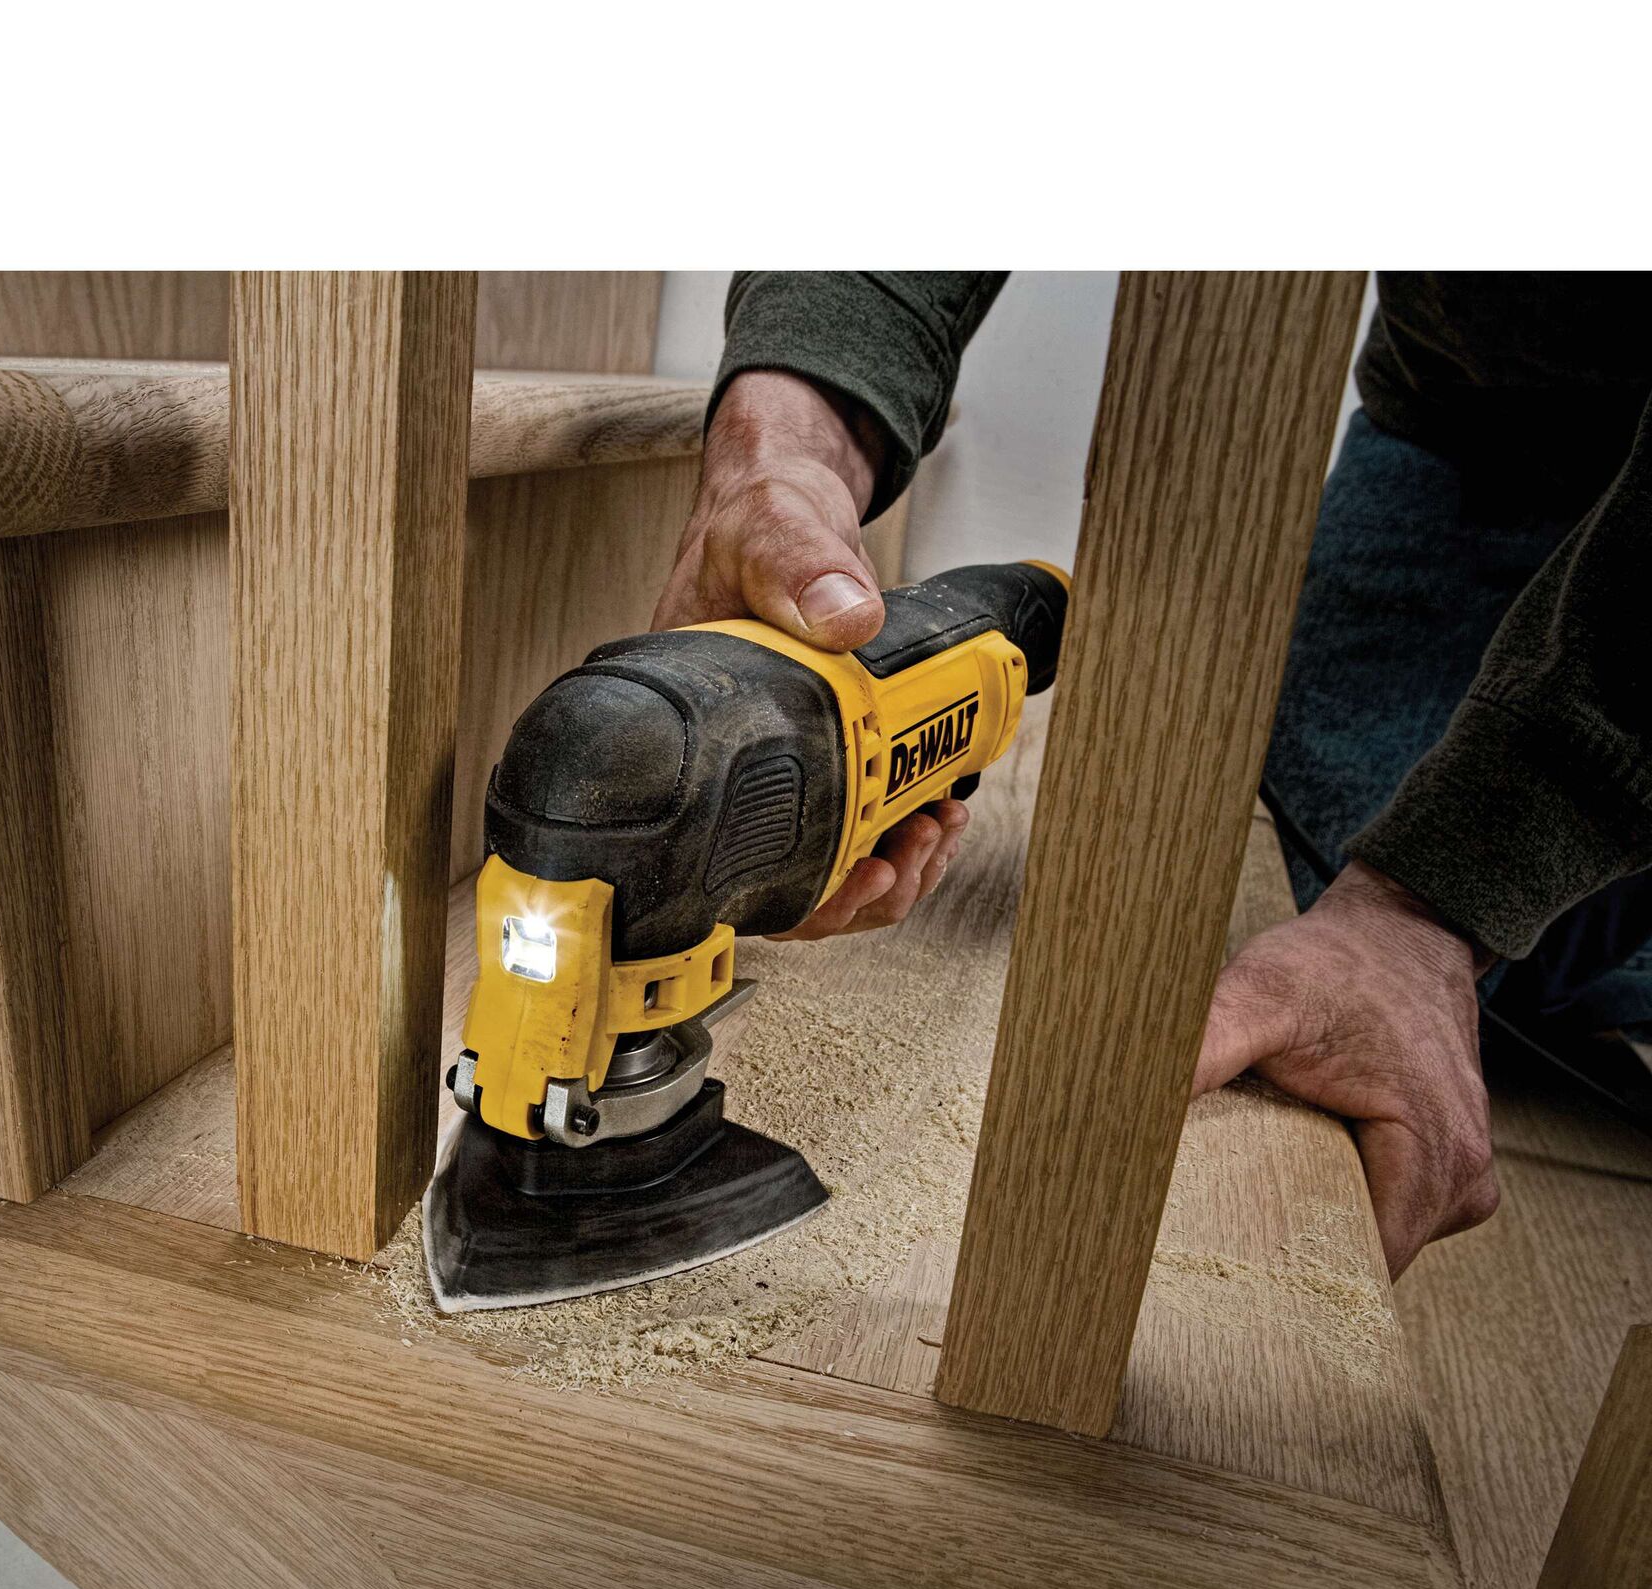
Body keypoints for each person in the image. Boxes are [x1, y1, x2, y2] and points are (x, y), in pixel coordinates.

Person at [653, 273, 1652, 1275]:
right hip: (1458, 407)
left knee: (1517, 890)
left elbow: (1466, 861)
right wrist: (783, 445)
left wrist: (1428, 911)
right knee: (1408, 879)